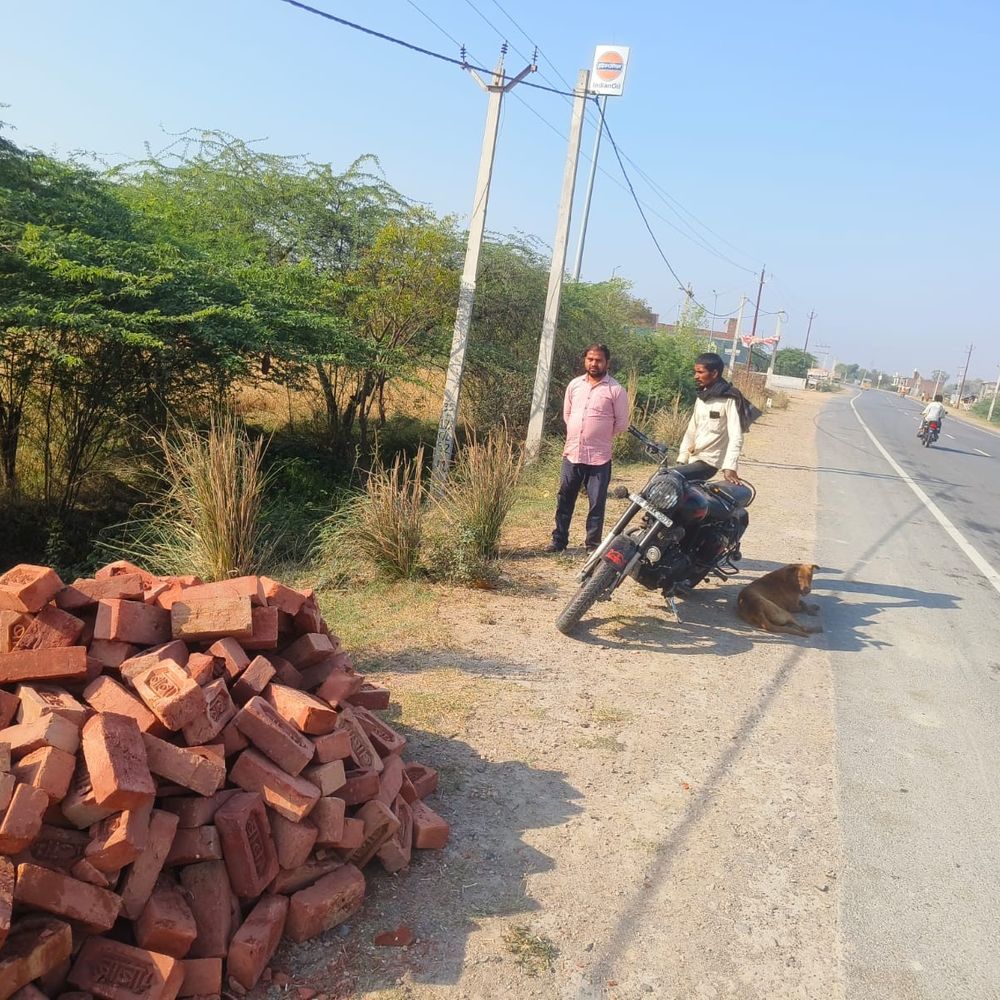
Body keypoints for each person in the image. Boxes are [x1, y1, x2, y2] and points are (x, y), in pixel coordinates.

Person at [546, 344, 629, 553]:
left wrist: (598, 436)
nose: (594, 363)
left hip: (599, 456)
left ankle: (592, 545)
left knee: (596, 503)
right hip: (573, 453)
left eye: (599, 360)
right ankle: (559, 541)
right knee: (565, 498)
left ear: (607, 363)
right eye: (590, 359)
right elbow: (568, 415)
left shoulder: (615, 390)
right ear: (585, 360)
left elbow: (621, 424)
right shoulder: (574, 385)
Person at [675, 352, 749, 485]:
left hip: (710, 462)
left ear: (714, 373)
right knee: (665, 481)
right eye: (695, 372)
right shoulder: (702, 396)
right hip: (694, 459)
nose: (695, 376)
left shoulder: (730, 398)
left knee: (672, 476)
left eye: (700, 372)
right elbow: (691, 431)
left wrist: (730, 467)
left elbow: (736, 436)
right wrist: (682, 458)